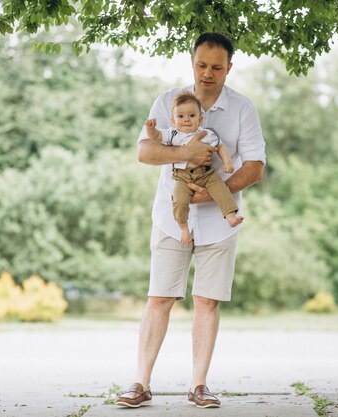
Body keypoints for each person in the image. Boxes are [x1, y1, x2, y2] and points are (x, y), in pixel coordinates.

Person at [115, 33, 266, 409]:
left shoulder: (243, 109)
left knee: (207, 301)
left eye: (217, 67)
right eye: (202, 65)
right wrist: (184, 152)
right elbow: (145, 152)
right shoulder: (168, 101)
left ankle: (199, 385)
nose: (208, 73)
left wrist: (218, 192)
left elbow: (256, 165)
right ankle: (140, 383)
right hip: (171, 218)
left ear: (229, 67)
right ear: (192, 62)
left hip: (219, 221)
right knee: (159, 298)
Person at [145, 91, 244, 245]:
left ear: (200, 119)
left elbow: (221, 146)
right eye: (181, 116)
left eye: (191, 116)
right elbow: (156, 137)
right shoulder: (172, 134)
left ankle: (230, 215)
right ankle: (183, 227)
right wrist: (151, 129)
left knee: (221, 188)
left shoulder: (207, 133)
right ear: (172, 120)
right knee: (179, 200)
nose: (186, 120)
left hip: (206, 174)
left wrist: (227, 162)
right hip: (183, 178)